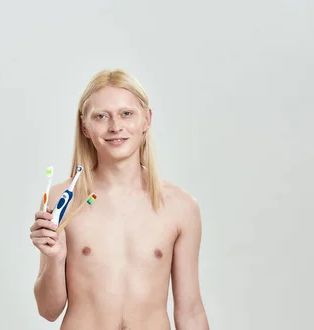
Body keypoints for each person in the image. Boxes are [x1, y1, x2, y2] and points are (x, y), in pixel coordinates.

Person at [29, 69, 209, 330]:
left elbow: (190, 311)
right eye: (101, 116)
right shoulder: (63, 199)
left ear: (146, 119)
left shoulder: (181, 207)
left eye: (126, 113)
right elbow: (48, 311)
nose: (115, 127)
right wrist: (55, 258)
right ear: (85, 127)